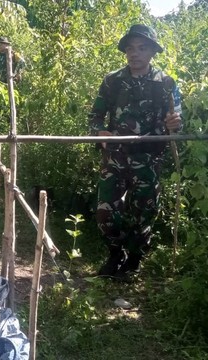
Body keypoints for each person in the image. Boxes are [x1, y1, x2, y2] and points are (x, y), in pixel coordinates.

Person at [88, 24, 182, 280]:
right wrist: (99, 131)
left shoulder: (165, 83)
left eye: (141, 48)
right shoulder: (112, 81)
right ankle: (115, 254)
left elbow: (175, 119)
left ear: (152, 51)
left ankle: (134, 260)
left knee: (144, 211)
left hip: (148, 159)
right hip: (115, 157)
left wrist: (174, 123)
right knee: (106, 211)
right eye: (130, 48)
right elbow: (95, 116)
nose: (134, 53)